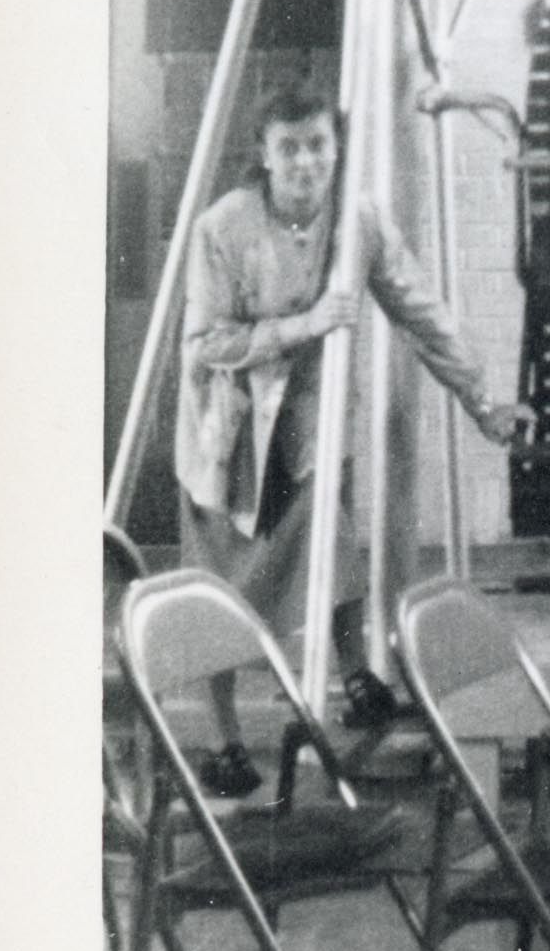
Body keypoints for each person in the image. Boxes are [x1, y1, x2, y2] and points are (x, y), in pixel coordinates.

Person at [176, 74, 524, 795]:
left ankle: (356, 674)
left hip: (306, 424)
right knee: (219, 591)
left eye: (318, 146)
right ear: (264, 155)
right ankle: (223, 743)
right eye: (290, 148)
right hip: (227, 436)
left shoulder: (355, 220)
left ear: (337, 150)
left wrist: (482, 400)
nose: (306, 163)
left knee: (329, 536)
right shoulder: (223, 226)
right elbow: (206, 342)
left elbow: (421, 311)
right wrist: (302, 325)